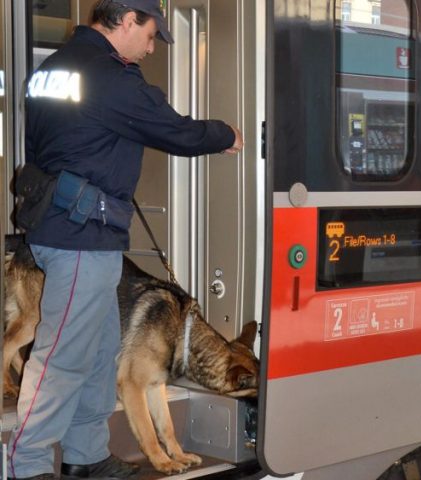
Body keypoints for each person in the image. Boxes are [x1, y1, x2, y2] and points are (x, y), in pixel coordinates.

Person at [8, 1, 243, 478]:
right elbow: (174, 130)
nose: (151, 47)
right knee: (63, 358)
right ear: (128, 18)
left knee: (98, 355)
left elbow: (61, 146)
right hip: (80, 238)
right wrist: (228, 135)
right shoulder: (111, 77)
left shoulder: (52, 69)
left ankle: (87, 456)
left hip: (66, 226)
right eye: (151, 34)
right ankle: (29, 463)